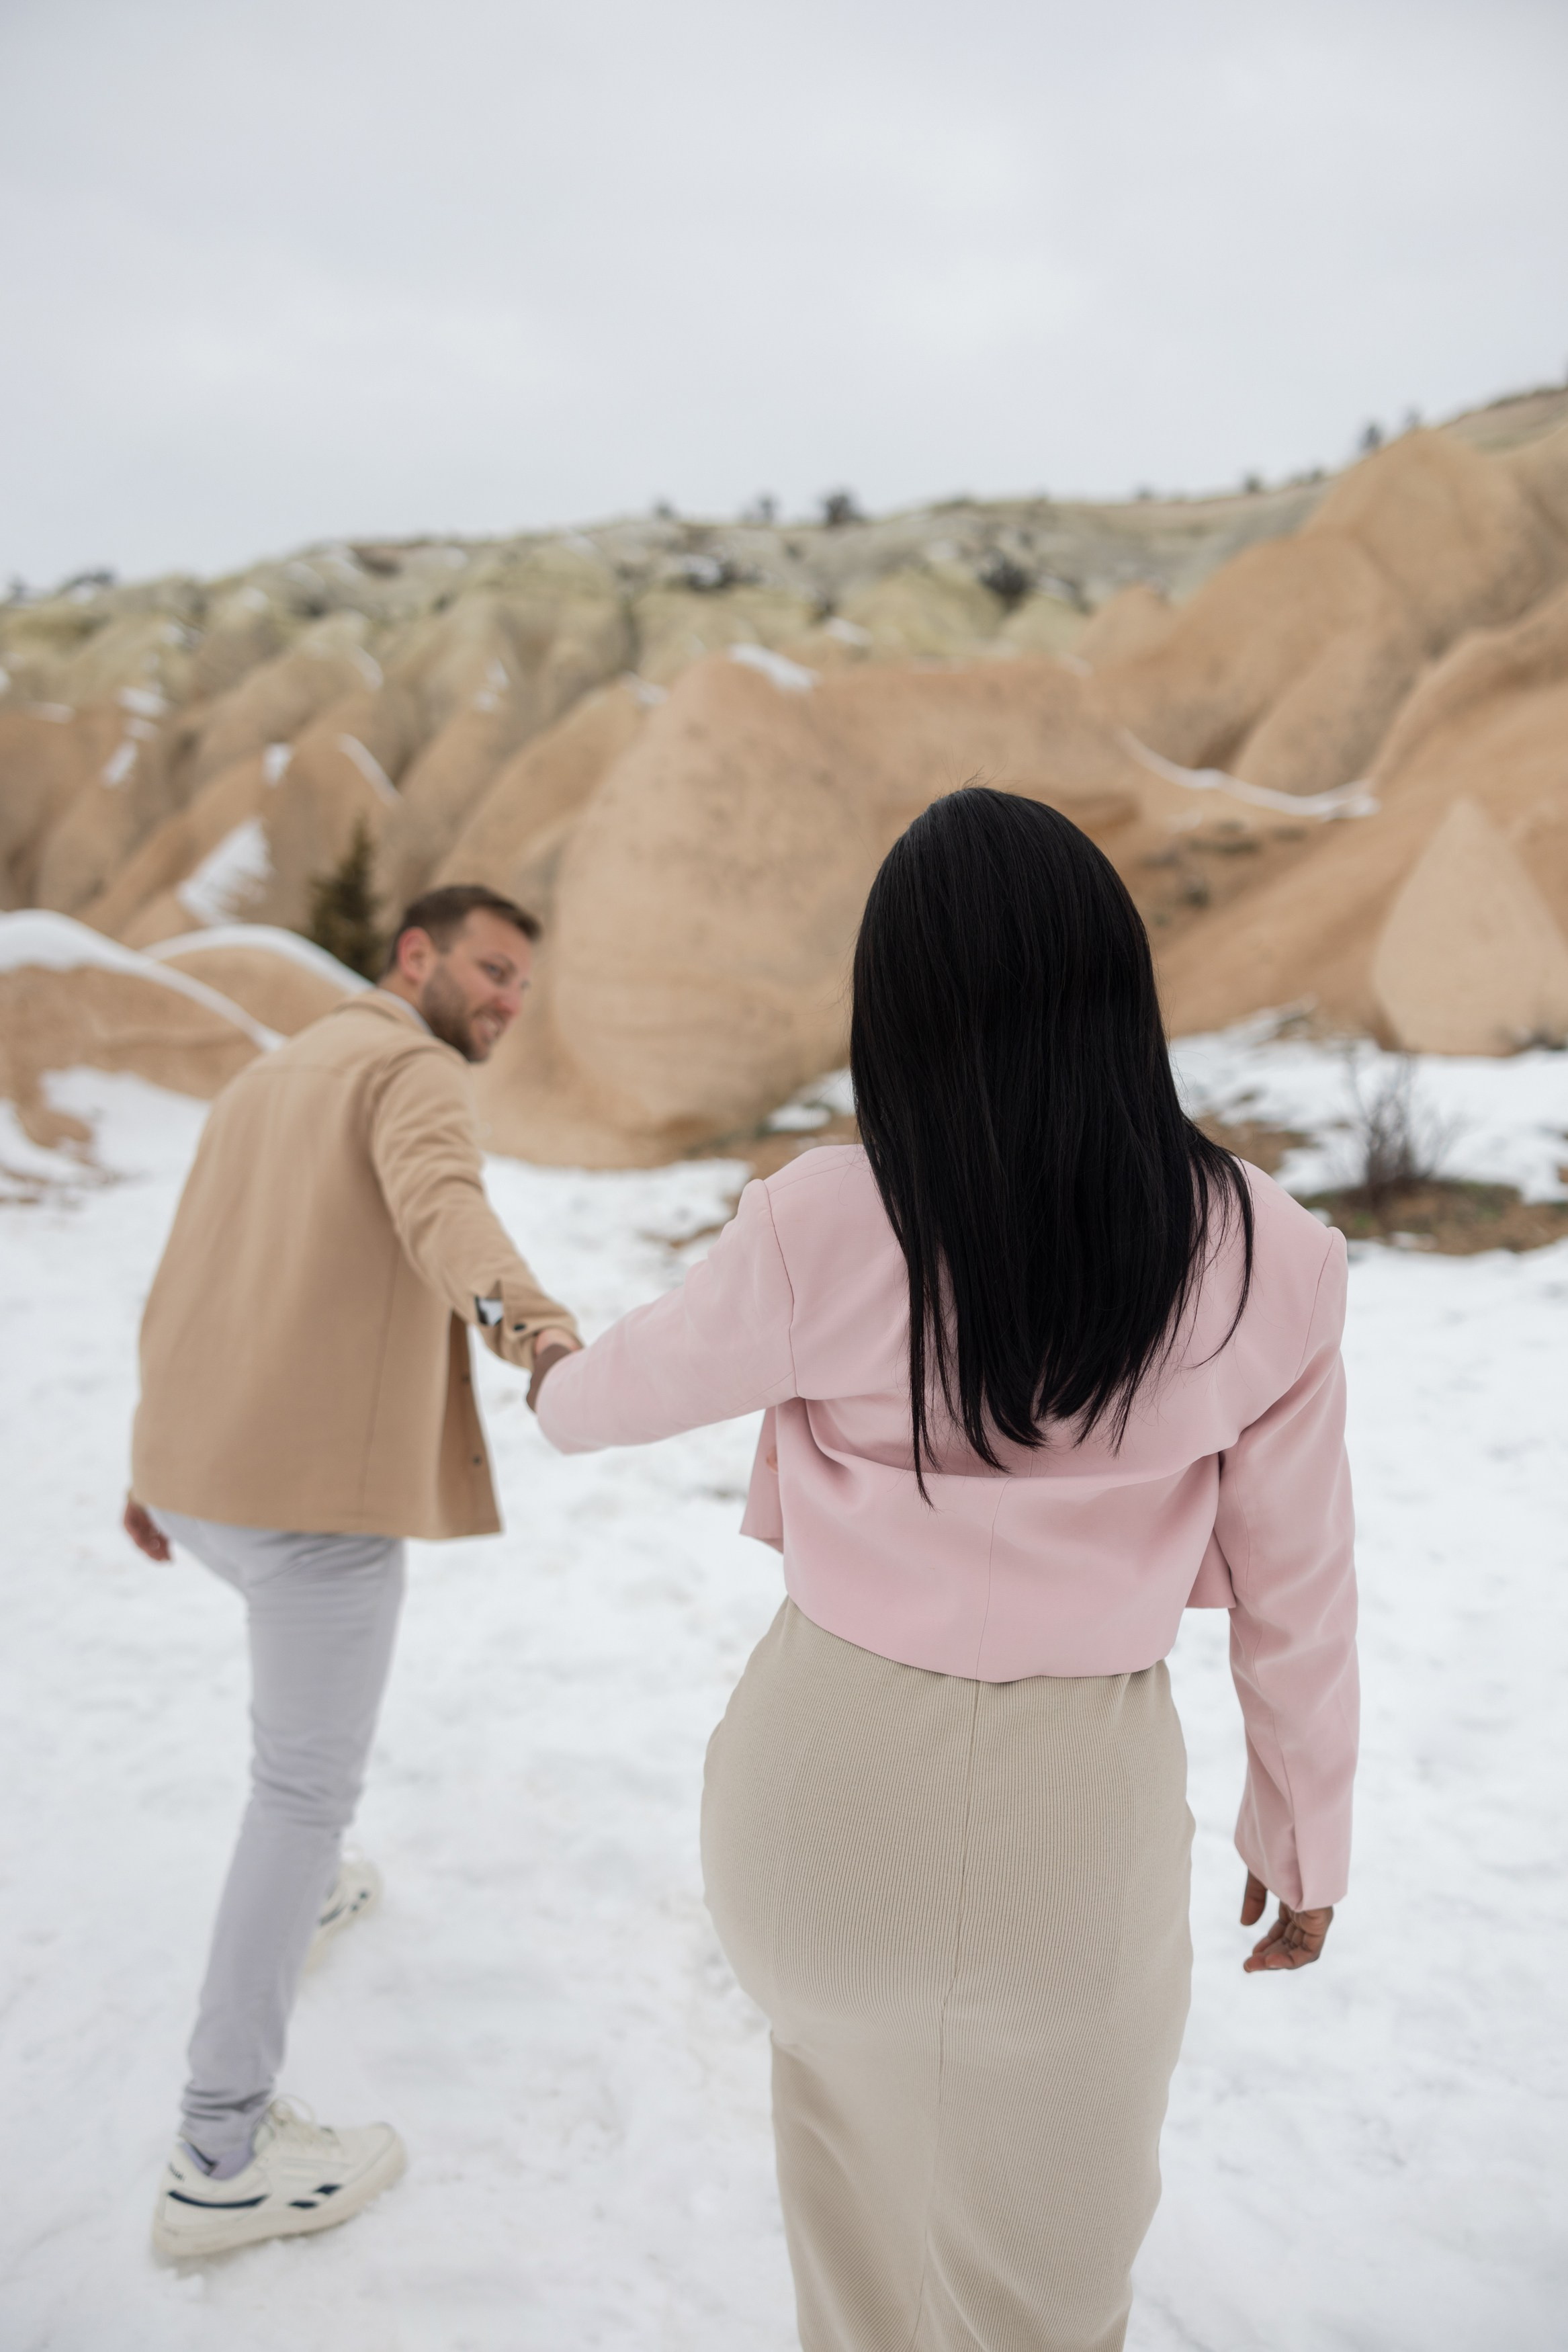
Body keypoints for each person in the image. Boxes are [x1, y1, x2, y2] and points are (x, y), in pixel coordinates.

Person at [532, 790, 1356, 2352]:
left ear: (896, 1008)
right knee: (1049, 2297)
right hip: (1079, 1819)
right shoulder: (1268, 1253)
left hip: (820, 1790)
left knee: (856, 2245)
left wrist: (548, 1373)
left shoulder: (822, 1221)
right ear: (1117, 988)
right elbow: (1298, 1591)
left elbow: (605, 1404)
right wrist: (1304, 1835)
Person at [125, 884, 581, 2261]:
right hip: (306, 1510)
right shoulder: (411, 1071)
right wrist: (540, 1332)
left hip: (205, 1483)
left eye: (522, 984)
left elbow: (185, 1271)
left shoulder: (270, 1075)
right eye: (491, 969)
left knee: (297, 1779)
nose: (507, 1000)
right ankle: (219, 2152)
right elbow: (445, 1210)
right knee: (301, 1790)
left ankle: (307, 1884)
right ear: (415, 955)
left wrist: (148, 1461)